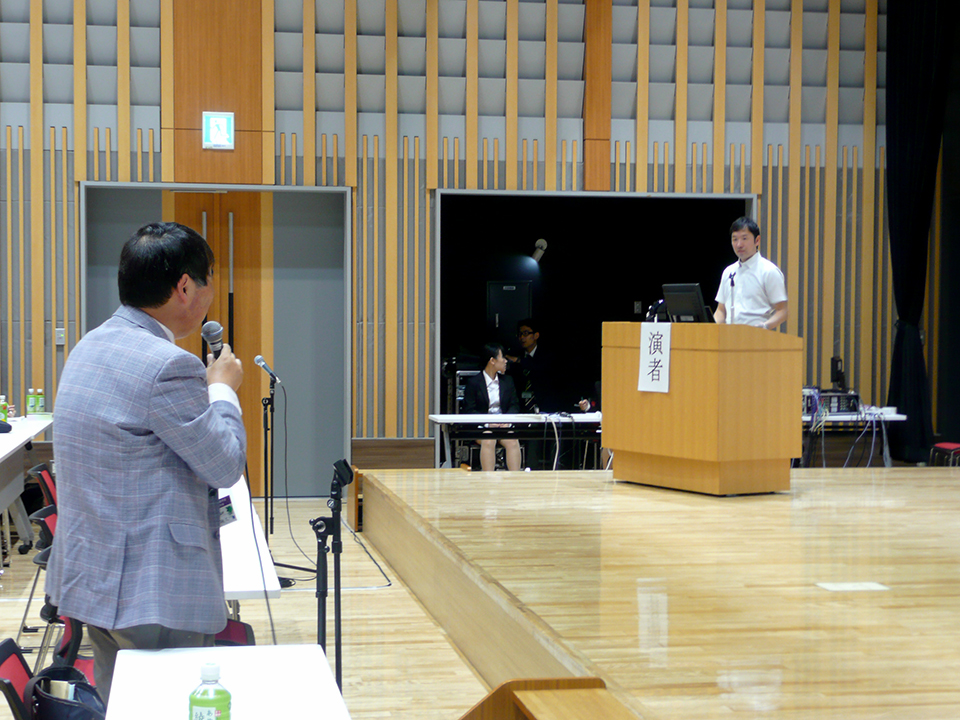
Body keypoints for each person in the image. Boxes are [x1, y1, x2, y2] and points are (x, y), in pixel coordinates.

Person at [44, 222, 247, 702]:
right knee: (166, 705)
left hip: (95, 581)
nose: (210, 296)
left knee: (124, 703)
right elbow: (224, 465)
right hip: (152, 592)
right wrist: (222, 389)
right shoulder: (168, 365)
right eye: (209, 281)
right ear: (184, 287)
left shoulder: (90, 345)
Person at [713, 216, 788, 330]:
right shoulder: (728, 272)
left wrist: (765, 326)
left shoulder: (769, 271)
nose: (739, 244)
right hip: (728, 337)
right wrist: (713, 328)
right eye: (735, 239)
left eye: (744, 238)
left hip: (756, 336)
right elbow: (721, 310)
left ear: (757, 240)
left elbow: (783, 311)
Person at [462, 343, 522, 471]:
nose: (505, 361)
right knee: (489, 440)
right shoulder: (474, 383)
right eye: (502, 357)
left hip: (503, 426)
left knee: (512, 441)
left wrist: (507, 421)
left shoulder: (508, 381)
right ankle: (488, 478)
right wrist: (488, 423)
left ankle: (516, 478)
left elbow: (514, 406)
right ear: (492, 361)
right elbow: (469, 410)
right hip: (482, 427)